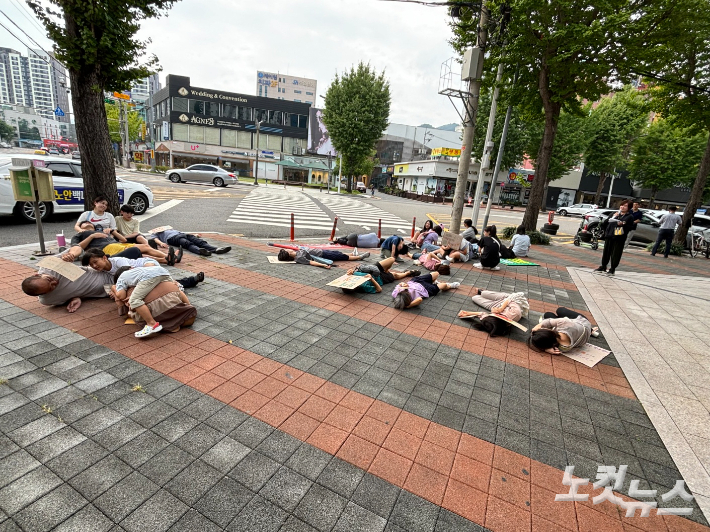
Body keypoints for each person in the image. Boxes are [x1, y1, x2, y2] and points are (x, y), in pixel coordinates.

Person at [21, 258, 115, 313]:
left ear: (37, 275)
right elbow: (66, 294)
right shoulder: (47, 300)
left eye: (48, 279)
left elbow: (77, 248)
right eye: (51, 288)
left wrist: (71, 254)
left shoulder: (49, 267)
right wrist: (75, 298)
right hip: (110, 288)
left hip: (105, 270)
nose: (55, 282)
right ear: (43, 293)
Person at [80, 248, 205, 288]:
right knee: (158, 283)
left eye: (95, 262)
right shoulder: (105, 272)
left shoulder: (118, 262)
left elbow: (134, 273)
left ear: (104, 258)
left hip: (145, 264)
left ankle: (180, 284)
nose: (95, 266)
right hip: (140, 276)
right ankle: (190, 281)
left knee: (153, 276)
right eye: (92, 265)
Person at [71, 222, 178, 265]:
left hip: (117, 244)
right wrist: (91, 236)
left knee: (142, 253)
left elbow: (123, 240)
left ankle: (167, 259)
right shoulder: (81, 234)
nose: (88, 223)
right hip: (107, 248)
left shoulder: (102, 231)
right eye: (85, 223)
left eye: (90, 223)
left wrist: (112, 231)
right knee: (142, 250)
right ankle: (171, 258)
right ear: (80, 227)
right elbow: (77, 247)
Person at [113, 264, 173, 337]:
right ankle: (187, 305)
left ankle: (152, 324)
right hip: (162, 271)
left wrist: (114, 288)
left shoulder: (120, 278)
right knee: (175, 287)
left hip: (148, 277)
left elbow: (121, 295)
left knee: (134, 300)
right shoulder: (137, 271)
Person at [123, 279, 197, 334]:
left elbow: (131, 308)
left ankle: (166, 325)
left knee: (135, 314)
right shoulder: (157, 278)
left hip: (155, 315)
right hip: (173, 305)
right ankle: (173, 323)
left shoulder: (128, 290)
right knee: (189, 314)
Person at [529, 307, 599, 355]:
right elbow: (548, 322)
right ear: (549, 331)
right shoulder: (565, 323)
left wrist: (546, 349)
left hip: (581, 336)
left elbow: (545, 343)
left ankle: (591, 331)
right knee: (558, 311)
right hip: (583, 324)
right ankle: (591, 330)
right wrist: (539, 325)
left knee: (549, 316)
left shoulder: (563, 347)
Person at [595, 200, 635, 274]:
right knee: (606, 252)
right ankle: (603, 266)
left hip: (619, 238)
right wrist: (614, 217)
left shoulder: (629, 217)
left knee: (616, 253)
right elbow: (605, 223)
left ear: (629, 208)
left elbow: (630, 227)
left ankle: (612, 268)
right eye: (622, 205)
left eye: (625, 206)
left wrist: (623, 224)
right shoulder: (615, 213)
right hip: (609, 235)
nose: (622, 207)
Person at [391, 271, 460, 309]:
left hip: (415, 281)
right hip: (426, 289)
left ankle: (434, 282)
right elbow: (419, 300)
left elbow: (400, 283)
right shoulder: (410, 300)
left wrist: (403, 285)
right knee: (444, 285)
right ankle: (450, 285)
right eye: (407, 293)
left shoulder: (395, 293)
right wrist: (408, 306)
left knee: (436, 273)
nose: (407, 291)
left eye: (404, 291)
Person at [150, 227, 231, 257]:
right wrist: (161, 243)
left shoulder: (170, 229)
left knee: (199, 241)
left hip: (183, 234)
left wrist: (195, 235)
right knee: (186, 243)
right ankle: (200, 251)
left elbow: (181, 232)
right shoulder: (155, 234)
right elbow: (155, 239)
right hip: (173, 238)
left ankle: (216, 249)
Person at [277, 247, 370, 268]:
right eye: (287, 251)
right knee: (341, 257)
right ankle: (359, 257)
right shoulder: (299, 258)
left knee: (338, 253)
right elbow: (311, 262)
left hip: (321, 251)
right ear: (288, 254)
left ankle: (353, 254)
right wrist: (323, 265)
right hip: (323, 255)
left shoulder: (297, 253)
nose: (288, 249)